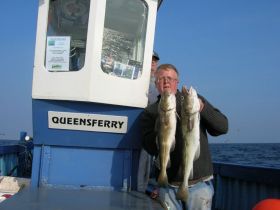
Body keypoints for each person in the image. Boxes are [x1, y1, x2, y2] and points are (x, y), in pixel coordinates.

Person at [140, 64, 228, 210]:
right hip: (167, 185)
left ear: (177, 82)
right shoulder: (150, 111)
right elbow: (148, 146)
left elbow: (222, 127)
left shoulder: (193, 101)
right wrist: (161, 126)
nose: (166, 82)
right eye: (161, 79)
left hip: (199, 184)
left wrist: (203, 109)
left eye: (169, 78)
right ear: (156, 84)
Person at [137, 51, 160, 195]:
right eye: (150, 59)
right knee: (144, 157)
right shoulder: (140, 78)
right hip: (146, 121)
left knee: (159, 156)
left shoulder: (160, 79)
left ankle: (157, 187)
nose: (153, 62)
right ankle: (140, 189)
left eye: (155, 60)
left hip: (159, 123)